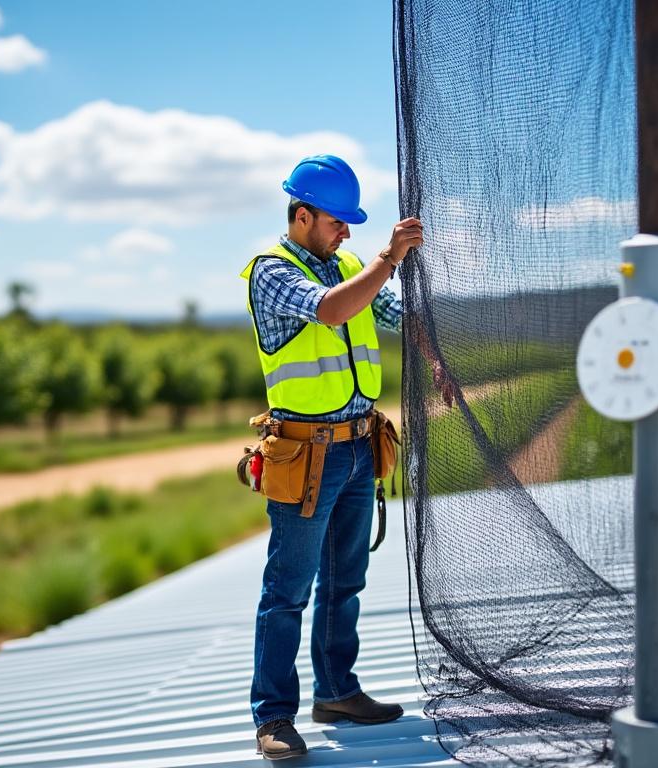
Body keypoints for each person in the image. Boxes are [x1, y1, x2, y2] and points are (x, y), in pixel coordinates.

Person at [239, 154, 423, 760]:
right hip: (305, 456)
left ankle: (337, 691)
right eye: (336, 221)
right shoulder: (271, 272)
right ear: (301, 215)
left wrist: (440, 343)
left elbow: (399, 314)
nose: (347, 232)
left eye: (349, 223)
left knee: (346, 582)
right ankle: (273, 717)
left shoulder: (347, 265)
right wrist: (388, 258)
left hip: (358, 448)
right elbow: (331, 309)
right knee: (287, 590)